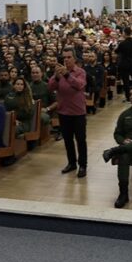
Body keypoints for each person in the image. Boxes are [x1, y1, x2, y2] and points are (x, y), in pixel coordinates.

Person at [48, 47, 88, 178]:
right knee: (68, 140)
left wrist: (66, 74)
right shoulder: (59, 73)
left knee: (80, 140)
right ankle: (72, 163)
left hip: (78, 112)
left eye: (69, 57)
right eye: (64, 57)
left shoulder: (80, 72)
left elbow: (79, 85)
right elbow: (50, 87)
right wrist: (57, 77)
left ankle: (83, 165)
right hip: (63, 112)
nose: (66, 59)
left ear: (74, 59)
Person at [115, 27, 132, 102]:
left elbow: (117, 51)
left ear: (124, 33)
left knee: (126, 81)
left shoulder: (122, 43)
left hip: (124, 63)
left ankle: (128, 97)